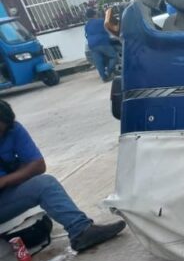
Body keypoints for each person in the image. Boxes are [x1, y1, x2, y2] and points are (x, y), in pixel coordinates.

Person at [0, 100, 125, 252]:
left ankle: (81, 231)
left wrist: (6, 180)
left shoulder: (13, 129)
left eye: (2, 132)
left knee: (45, 184)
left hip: (6, 195)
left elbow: (38, 165)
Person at [84, 7, 118, 82]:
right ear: (94, 15)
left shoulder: (87, 25)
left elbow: (86, 35)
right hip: (102, 42)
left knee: (99, 62)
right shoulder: (101, 21)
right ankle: (108, 72)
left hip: (92, 45)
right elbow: (112, 28)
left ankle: (104, 78)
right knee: (114, 57)